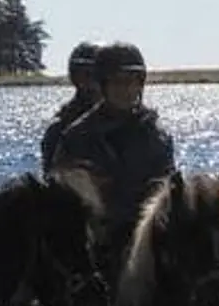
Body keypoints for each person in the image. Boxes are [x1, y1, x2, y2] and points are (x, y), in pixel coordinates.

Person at [49, 40, 177, 283]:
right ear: (103, 86)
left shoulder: (157, 137)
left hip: (145, 242)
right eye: (118, 82)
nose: (125, 90)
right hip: (91, 246)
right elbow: (59, 198)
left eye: (132, 82)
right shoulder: (77, 138)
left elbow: (166, 191)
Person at [41, 40, 106, 172]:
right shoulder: (59, 129)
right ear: (75, 77)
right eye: (85, 74)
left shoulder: (131, 123)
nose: (91, 82)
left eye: (97, 75)